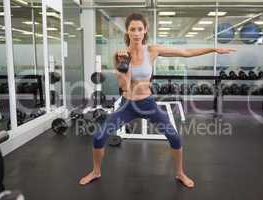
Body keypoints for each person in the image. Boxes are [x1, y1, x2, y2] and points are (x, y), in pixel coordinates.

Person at [79, 13, 236, 188]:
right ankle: (96, 171)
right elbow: (125, 86)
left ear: (145, 30)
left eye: (140, 29)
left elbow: (186, 52)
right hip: (127, 105)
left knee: (175, 138)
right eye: (133, 29)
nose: (137, 33)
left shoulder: (152, 51)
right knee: (99, 137)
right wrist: (123, 64)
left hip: (147, 103)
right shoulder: (120, 55)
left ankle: (180, 173)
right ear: (128, 31)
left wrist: (213, 49)